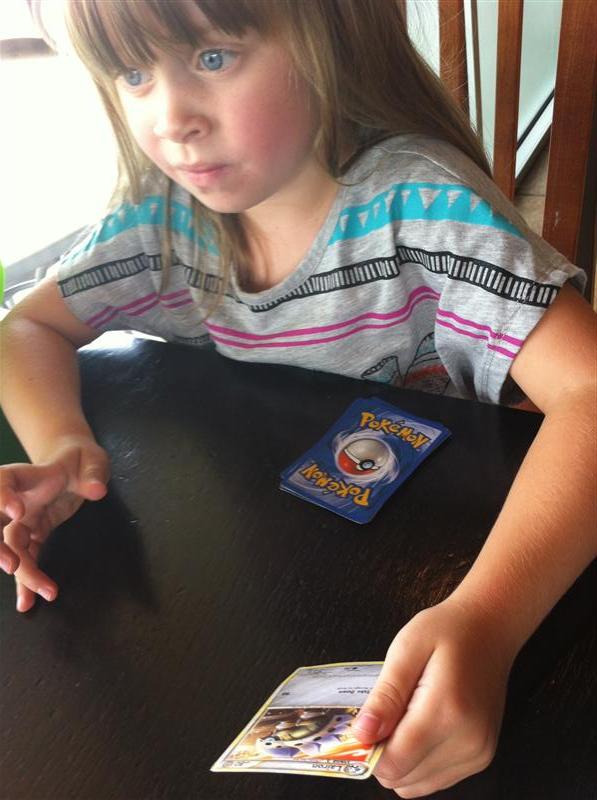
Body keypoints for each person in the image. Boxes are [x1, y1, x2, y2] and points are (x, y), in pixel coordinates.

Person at [0, 0, 595, 795]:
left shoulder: (421, 207)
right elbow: (28, 325)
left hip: (450, 559)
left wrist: (486, 620)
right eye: (135, 73)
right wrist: (65, 446)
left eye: (212, 58)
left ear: (331, 39)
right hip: (285, 587)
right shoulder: (163, 223)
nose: (171, 120)